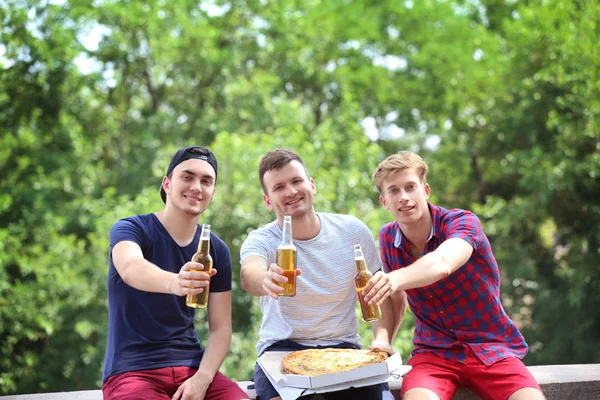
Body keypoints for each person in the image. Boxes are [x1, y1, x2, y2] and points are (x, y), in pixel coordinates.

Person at [363, 151, 545, 400]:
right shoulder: (387, 237)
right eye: (393, 190)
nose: (403, 197)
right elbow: (396, 297)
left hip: (490, 349)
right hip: (433, 353)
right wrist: (383, 340)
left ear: (425, 190)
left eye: (410, 187)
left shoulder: (462, 221)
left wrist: (394, 278)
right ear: (384, 201)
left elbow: (443, 262)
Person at [240, 148, 394, 400]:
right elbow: (250, 273)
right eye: (279, 187)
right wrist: (265, 279)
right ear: (267, 201)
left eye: (297, 181)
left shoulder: (353, 231)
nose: (290, 191)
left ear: (311, 185)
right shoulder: (262, 240)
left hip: (343, 349)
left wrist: (382, 337)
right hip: (280, 350)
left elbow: (377, 292)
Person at [102, 146, 248, 400]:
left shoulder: (216, 249)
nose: (196, 187)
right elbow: (129, 268)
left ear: (212, 192)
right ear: (167, 184)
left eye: (206, 181)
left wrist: (202, 379)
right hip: (132, 372)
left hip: (192, 369)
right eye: (187, 177)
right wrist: (176, 282)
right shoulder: (131, 228)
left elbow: (221, 329)